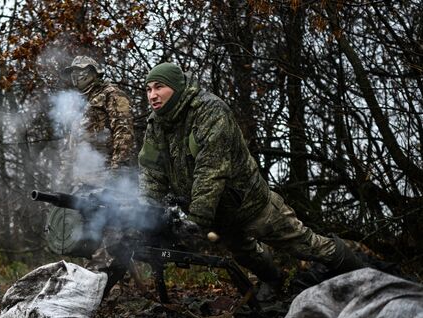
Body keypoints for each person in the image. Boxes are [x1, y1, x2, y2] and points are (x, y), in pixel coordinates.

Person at [138, 62, 364, 292]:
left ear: (176, 87)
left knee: (306, 245)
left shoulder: (210, 111)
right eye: (148, 89)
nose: (153, 95)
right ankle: (277, 286)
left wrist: (197, 219)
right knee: (246, 255)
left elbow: (212, 170)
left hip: (251, 204)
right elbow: (152, 172)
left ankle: (366, 276)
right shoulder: (157, 123)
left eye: (159, 87)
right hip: (218, 212)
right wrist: (146, 214)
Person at [61, 56, 136, 292]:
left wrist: (117, 171)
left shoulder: (112, 94)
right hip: (83, 177)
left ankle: (106, 288)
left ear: (95, 72)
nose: (76, 75)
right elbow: (72, 145)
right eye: (73, 72)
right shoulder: (78, 102)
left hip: (106, 175)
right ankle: (97, 286)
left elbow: (124, 132)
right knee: (85, 235)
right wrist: (66, 174)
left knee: (109, 233)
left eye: (81, 70)